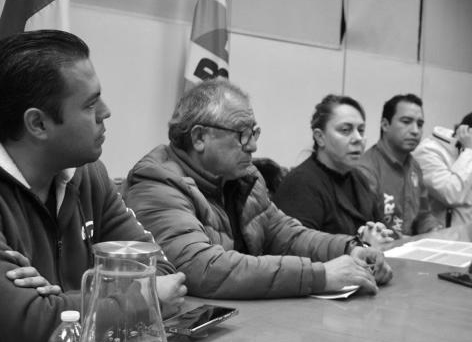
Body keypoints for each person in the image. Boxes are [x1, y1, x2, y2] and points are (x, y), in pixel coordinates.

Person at [0, 30, 186, 342]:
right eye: (90, 104)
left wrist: (61, 303)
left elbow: (160, 271)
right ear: (38, 123)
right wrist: (141, 300)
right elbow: (31, 333)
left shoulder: (88, 175)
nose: (106, 111)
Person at [123, 80, 392, 300]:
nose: (253, 146)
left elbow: (286, 235)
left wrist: (348, 248)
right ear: (199, 137)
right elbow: (203, 269)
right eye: (242, 134)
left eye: (254, 133)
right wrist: (319, 276)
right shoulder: (157, 183)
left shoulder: (244, 178)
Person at [273, 94, 392, 244]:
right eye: (345, 130)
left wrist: (380, 234)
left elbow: (378, 226)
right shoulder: (300, 183)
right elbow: (297, 248)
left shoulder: (359, 178)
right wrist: (362, 244)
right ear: (320, 137)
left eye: (361, 130)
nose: (358, 138)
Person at [357, 94, 442, 237]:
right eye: (406, 122)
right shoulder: (366, 169)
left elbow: (423, 216)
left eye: (420, 124)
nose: (415, 131)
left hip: (408, 246)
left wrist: (434, 230)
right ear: (385, 125)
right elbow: (366, 228)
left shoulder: (414, 166)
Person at [412, 110, 472, 229]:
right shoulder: (428, 152)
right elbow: (452, 195)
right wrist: (469, 152)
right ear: (468, 139)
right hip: (440, 237)